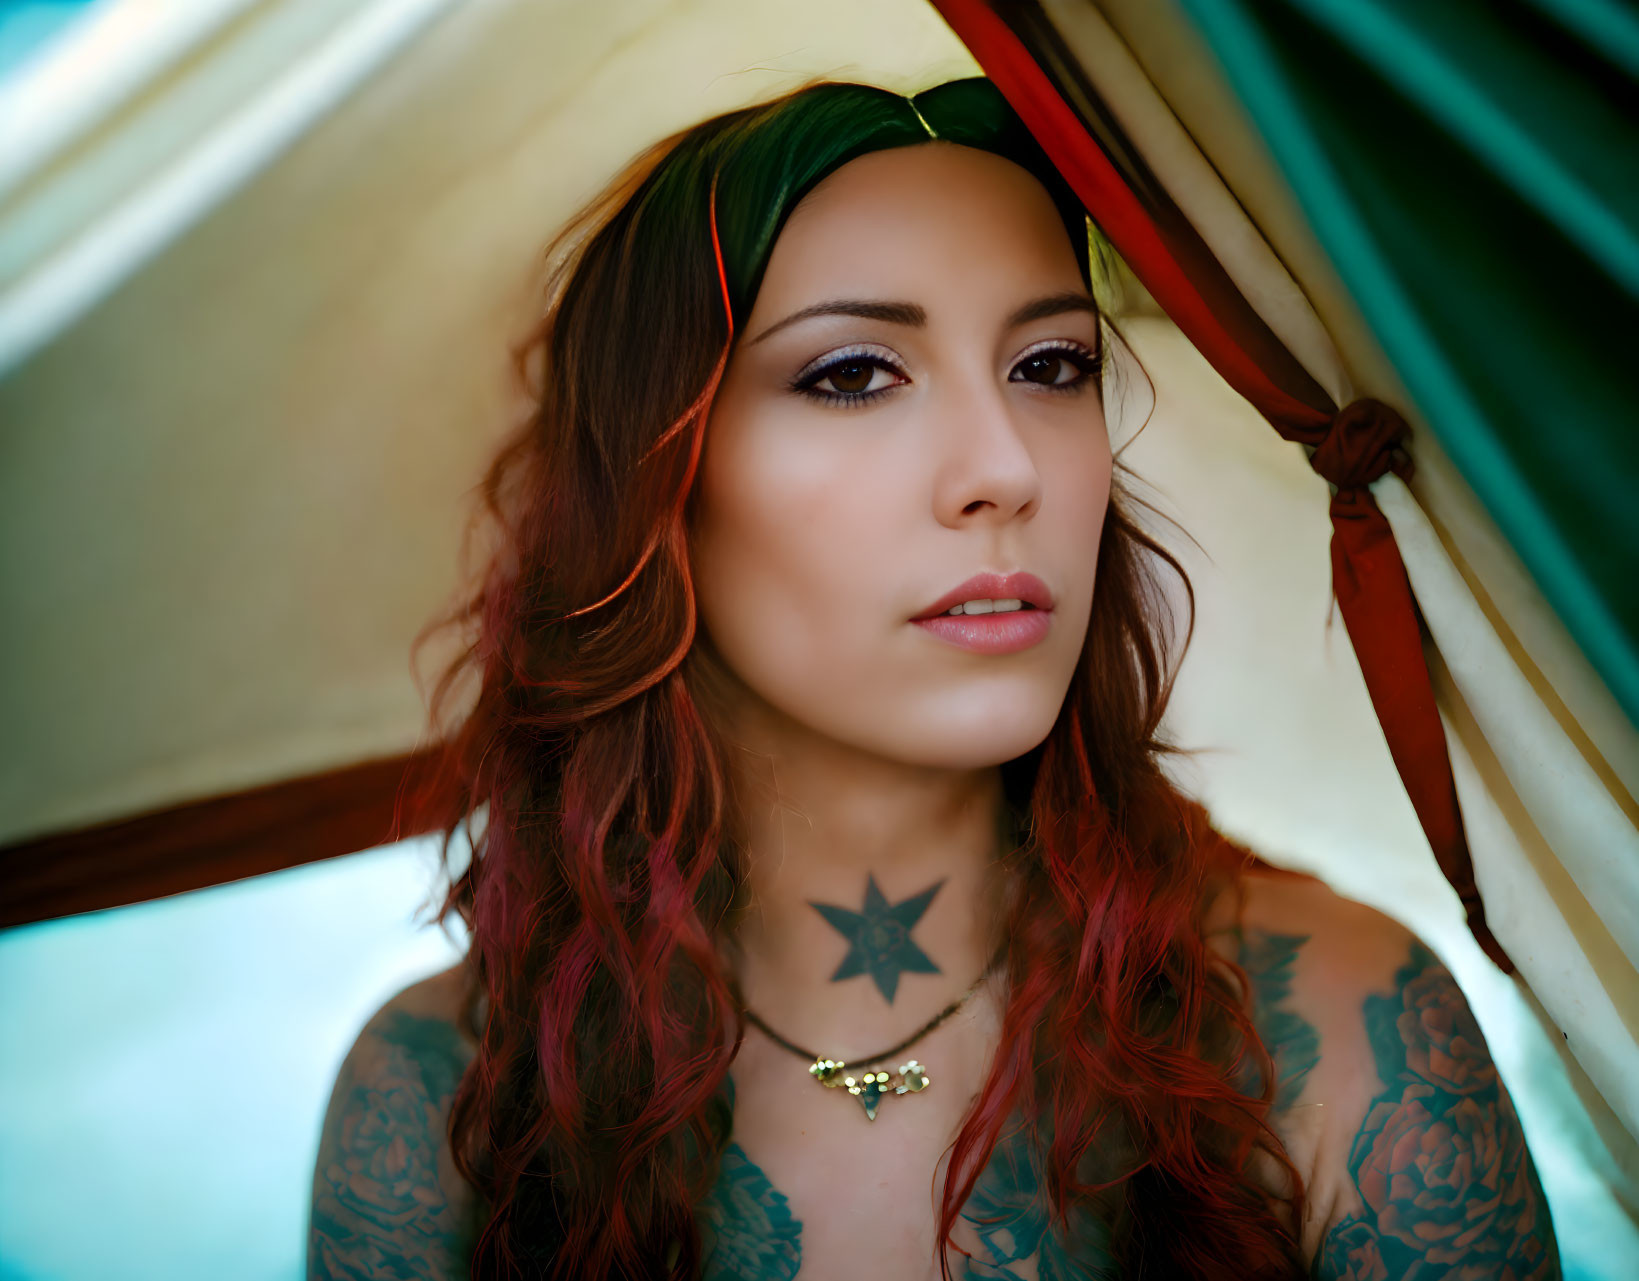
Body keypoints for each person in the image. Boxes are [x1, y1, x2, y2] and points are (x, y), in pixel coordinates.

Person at [305, 77, 1560, 1281]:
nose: (1006, 466)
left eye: (1053, 366)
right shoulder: (440, 1094)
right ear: (653, 488)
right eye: (853, 373)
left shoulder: (1339, 1034)